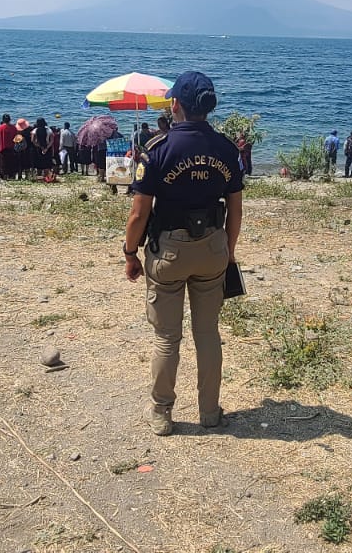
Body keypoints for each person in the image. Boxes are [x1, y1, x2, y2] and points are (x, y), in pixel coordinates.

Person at [121, 71, 243, 436]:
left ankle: (162, 413)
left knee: (166, 338)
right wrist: (228, 252)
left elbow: (139, 213)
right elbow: (235, 209)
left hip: (169, 251)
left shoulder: (158, 149)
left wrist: (130, 252)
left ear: (175, 104)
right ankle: (210, 412)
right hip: (213, 246)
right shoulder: (225, 148)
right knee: (207, 334)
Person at [0, 114, 17, 180]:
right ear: (9, 120)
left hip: (3, 148)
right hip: (12, 148)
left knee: (3, 163)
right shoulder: (14, 128)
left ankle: (4, 177)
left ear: (3, 120)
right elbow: (17, 138)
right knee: (11, 163)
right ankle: (11, 176)